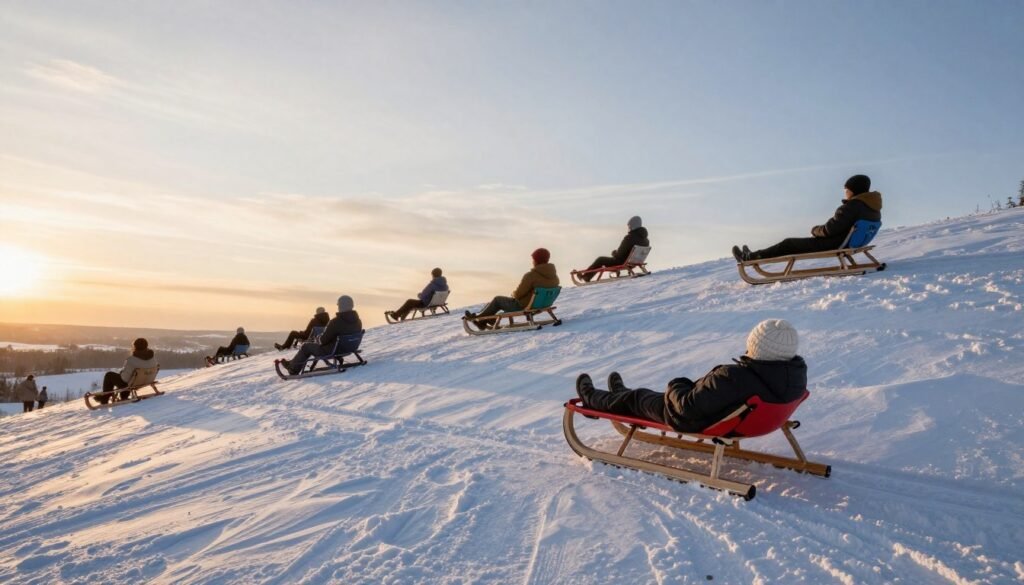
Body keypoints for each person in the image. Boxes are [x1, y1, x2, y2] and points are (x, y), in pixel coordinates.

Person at [575, 320, 806, 432]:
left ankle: (592, 399)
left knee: (637, 398)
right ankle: (620, 395)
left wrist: (677, 384)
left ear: (756, 346)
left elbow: (686, 407)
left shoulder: (734, 376)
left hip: (693, 419)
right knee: (640, 397)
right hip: (736, 418)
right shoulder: (793, 377)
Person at [732, 175, 883, 262]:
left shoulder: (852, 206)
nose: (845, 193)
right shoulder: (873, 208)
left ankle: (751, 257)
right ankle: (753, 255)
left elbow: (830, 229)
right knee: (790, 243)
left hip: (835, 243)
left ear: (853, 190)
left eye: (847, 190)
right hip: (848, 242)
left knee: (788, 243)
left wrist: (815, 230)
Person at [464, 248, 559, 330]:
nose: (532, 262)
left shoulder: (531, 276)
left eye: (533, 259)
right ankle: (486, 320)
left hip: (525, 306)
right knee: (499, 301)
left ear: (536, 260)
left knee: (498, 300)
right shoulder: (554, 276)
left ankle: (480, 320)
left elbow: (519, 294)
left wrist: (513, 294)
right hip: (542, 304)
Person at [281, 295, 363, 375]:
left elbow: (323, 341)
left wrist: (318, 338)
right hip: (350, 348)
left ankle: (293, 369)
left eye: (338, 305)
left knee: (306, 346)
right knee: (312, 345)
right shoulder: (358, 320)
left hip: (333, 351)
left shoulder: (335, 322)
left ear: (341, 306)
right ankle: (292, 363)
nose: (338, 307)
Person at [581, 216, 650, 281]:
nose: (629, 228)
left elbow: (619, 255)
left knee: (600, 259)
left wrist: (614, 253)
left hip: (622, 262)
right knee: (603, 259)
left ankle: (586, 276)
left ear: (633, 226)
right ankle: (587, 276)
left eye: (629, 226)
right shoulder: (646, 240)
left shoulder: (629, 238)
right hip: (635, 263)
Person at [99, 338, 158, 404]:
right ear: (146, 346)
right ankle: (123, 396)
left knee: (109, 375)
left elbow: (124, 378)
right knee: (131, 378)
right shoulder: (153, 358)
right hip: (147, 381)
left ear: (135, 347)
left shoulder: (131, 360)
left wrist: (121, 373)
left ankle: (104, 399)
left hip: (134, 383)